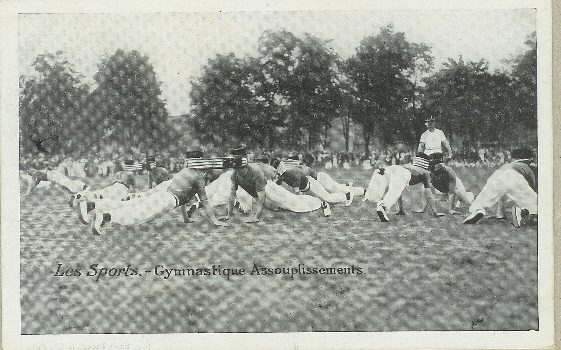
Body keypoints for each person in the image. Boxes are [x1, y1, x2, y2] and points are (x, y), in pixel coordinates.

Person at [80, 151, 227, 235]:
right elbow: (204, 202)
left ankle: (92, 204)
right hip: (168, 200)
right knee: (137, 217)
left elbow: (184, 198)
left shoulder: (184, 172)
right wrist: (214, 221)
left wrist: (186, 219)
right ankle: (104, 216)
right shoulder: (197, 178)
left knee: (130, 205)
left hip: (163, 195)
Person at [463, 147, 537, 228]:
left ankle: (480, 210)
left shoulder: (509, 164)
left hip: (498, 174)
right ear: (530, 158)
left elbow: (502, 192)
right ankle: (519, 211)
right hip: (514, 175)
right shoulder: (529, 166)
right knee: (534, 203)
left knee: (483, 199)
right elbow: (532, 186)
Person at [364, 153, 445, 222]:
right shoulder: (426, 173)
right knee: (393, 193)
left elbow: (400, 189)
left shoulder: (409, 166)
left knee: (391, 190)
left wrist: (401, 209)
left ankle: (375, 197)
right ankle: (383, 206)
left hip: (393, 168)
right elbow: (429, 195)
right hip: (402, 172)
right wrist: (435, 213)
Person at [271, 159, 353, 207]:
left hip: (311, 184)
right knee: (323, 197)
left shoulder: (290, 172)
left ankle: (346, 196)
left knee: (328, 197)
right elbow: (278, 182)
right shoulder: (284, 174)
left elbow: (298, 178)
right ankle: (345, 192)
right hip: (308, 185)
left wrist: (297, 191)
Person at [68, 170, 136, 207]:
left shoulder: (118, 181)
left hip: (109, 189)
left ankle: (79, 196)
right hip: (112, 195)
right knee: (100, 198)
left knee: (95, 194)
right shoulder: (124, 188)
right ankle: (81, 198)